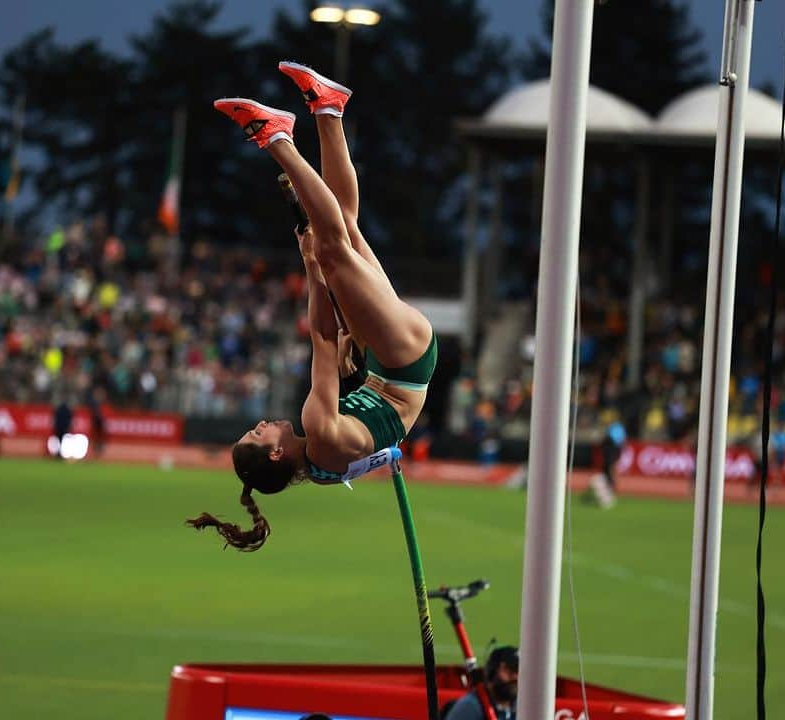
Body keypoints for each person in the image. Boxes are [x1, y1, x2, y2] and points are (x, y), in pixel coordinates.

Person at [187, 62, 437, 551]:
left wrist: (353, 357)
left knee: (343, 225)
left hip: (383, 363)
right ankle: (278, 139)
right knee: (331, 248)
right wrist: (311, 268)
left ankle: (329, 107)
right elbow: (321, 337)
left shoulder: (323, 468)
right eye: (257, 434)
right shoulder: (317, 430)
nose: (260, 424)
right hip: (403, 361)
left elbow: (377, 439)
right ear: (277, 453)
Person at [444, 645, 519, 720]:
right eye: (510, 671)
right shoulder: (471, 708)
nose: (516, 677)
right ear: (492, 672)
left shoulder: (520, 707)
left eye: (520, 671)